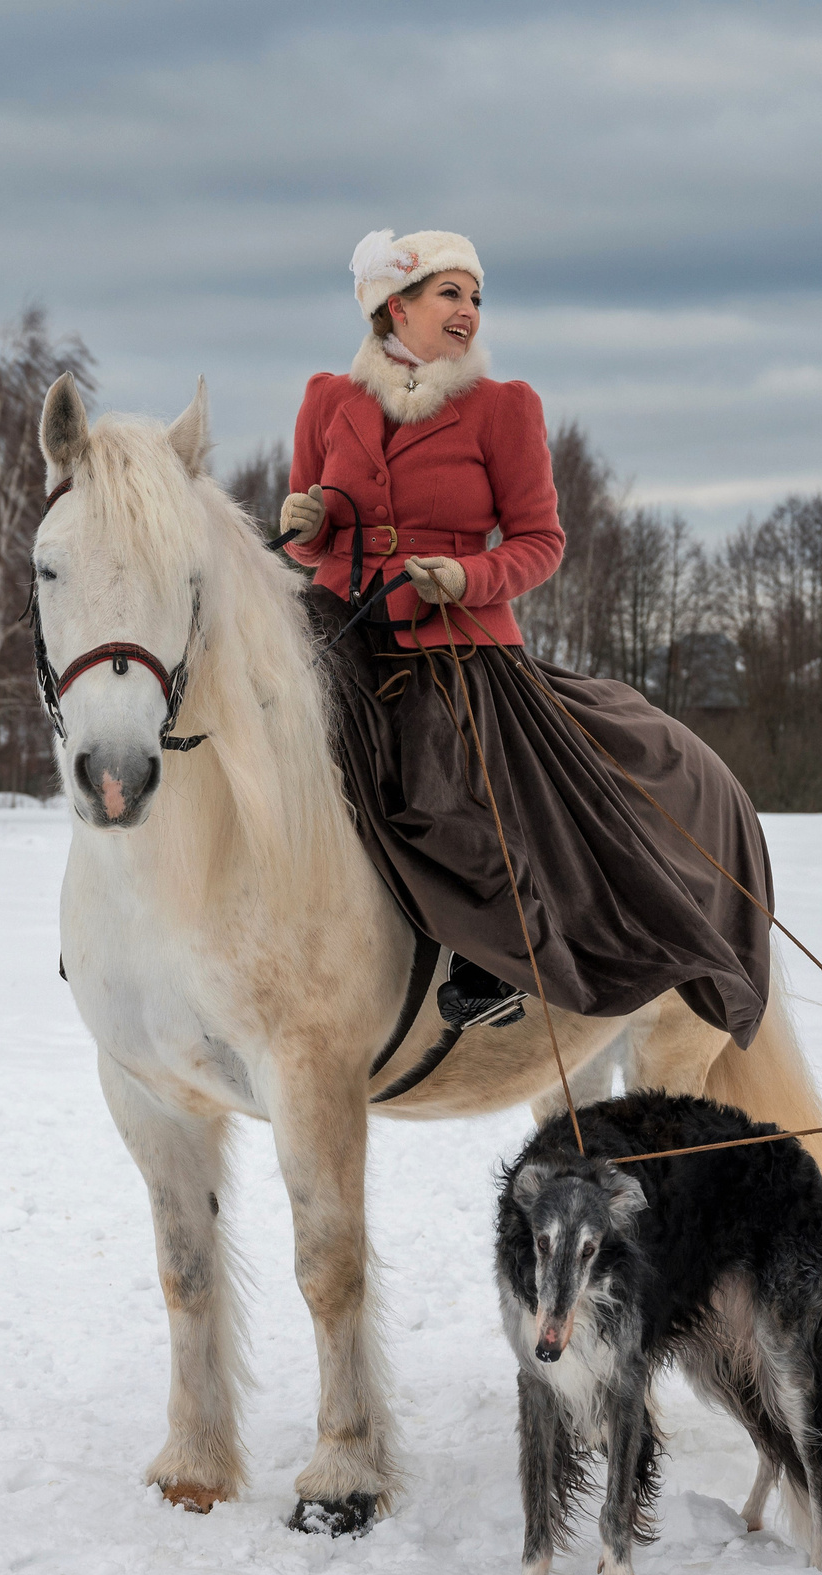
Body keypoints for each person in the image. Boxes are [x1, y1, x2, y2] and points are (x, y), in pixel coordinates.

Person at [277, 228, 777, 1047]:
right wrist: (311, 519)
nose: (469, 312)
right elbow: (308, 540)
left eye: (476, 297)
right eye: (451, 294)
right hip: (336, 637)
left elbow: (541, 542)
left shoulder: (504, 407)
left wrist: (465, 579)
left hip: (454, 651)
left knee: (446, 790)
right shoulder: (328, 399)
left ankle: (493, 965)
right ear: (393, 308)